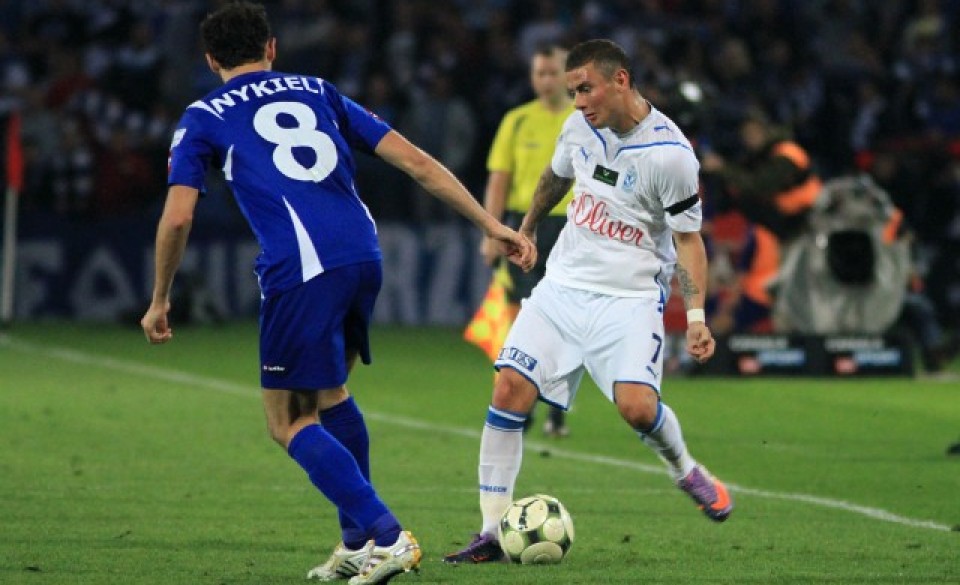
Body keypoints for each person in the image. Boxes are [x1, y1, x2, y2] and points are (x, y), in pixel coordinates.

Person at [138, 3, 535, 584]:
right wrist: (489, 224)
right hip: (362, 254)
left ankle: (389, 535)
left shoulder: (203, 115)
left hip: (302, 267)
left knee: (287, 420)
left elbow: (177, 217)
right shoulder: (318, 90)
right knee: (330, 394)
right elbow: (417, 162)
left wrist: (159, 297)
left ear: (210, 60)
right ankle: (358, 543)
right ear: (271, 48)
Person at [444, 39, 733, 565]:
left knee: (637, 408)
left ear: (620, 80)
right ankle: (490, 532)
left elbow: (688, 240)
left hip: (630, 299)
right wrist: (528, 228)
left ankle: (686, 469)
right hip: (562, 288)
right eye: (573, 91)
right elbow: (555, 176)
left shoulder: (670, 155)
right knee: (508, 388)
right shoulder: (579, 127)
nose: (577, 102)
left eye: (585, 89)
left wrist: (696, 317)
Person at [478, 45, 574, 438]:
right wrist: (491, 232)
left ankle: (555, 409)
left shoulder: (584, 120)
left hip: (572, 227)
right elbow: (499, 179)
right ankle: (526, 402)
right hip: (525, 228)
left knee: (565, 320)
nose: (545, 80)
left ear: (568, 75)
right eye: (539, 73)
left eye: (552, 72)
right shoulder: (517, 121)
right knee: (523, 317)